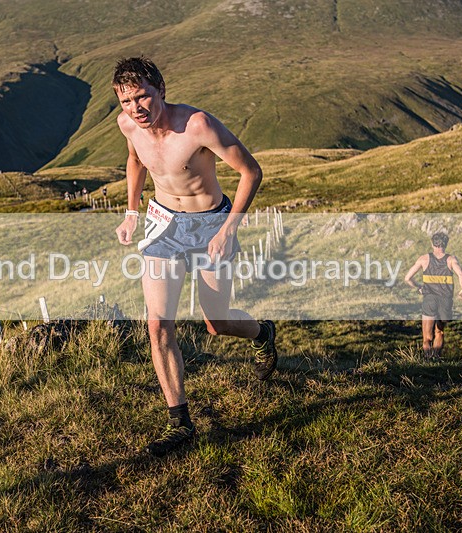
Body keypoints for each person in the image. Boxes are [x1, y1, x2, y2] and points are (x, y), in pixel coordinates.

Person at [113, 56, 277, 457]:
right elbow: (135, 160)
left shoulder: (197, 125)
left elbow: (251, 172)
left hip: (211, 226)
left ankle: (262, 334)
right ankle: (180, 422)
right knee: (158, 325)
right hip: (164, 224)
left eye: (142, 97)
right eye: (126, 101)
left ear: (160, 91)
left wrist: (228, 229)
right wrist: (132, 212)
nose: (136, 108)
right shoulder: (128, 126)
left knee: (216, 322)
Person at [404, 232, 462, 360]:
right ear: (446, 244)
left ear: (432, 244)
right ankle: (436, 358)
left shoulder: (424, 259)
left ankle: (428, 361)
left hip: (430, 300)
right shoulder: (451, 259)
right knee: (440, 331)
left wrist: (418, 287)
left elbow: (407, 278)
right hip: (445, 300)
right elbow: (461, 275)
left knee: (427, 338)